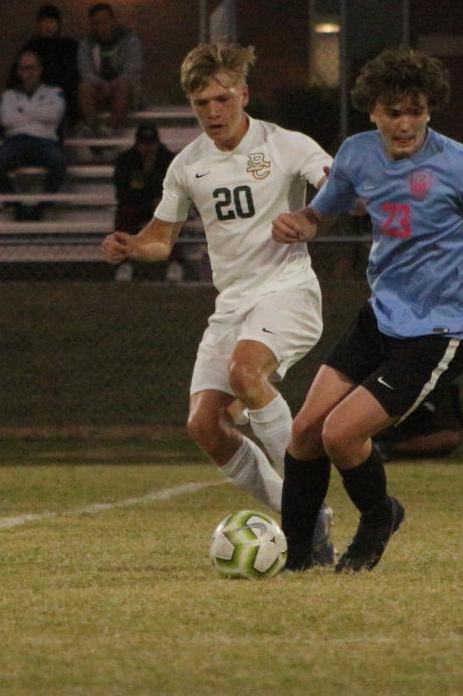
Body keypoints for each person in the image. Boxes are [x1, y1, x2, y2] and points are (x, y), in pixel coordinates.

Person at [272, 47, 463, 572]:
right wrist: (301, 223)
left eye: (416, 110)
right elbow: (323, 213)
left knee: (341, 434)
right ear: (373, 112)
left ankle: (378, 517)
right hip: (381, 317)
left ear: (430, 109)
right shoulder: (357, 154)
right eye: (394, 112)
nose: (405, 123)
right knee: (304, 432)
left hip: (440, 330)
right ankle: (296, 561)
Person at [100, 43, 337, 563]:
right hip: (232, 305)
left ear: (243, 95)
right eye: (201, 102)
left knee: (246, 374)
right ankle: (306, 515)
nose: (213, 112)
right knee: (205, 426)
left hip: (288, 291)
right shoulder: (188, 165)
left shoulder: (285, 145)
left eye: (222, 99)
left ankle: (306, 506)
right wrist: (132, 245)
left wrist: (311, 219)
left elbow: (340, 186)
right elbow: (162, 239)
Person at [0, 49, 66, 222]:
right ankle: (15, 206)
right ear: (18, 72)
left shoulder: (55, 92)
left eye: (32, 68)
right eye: (24, 68)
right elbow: (7, 120)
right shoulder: (8, 95)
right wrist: (38, 114)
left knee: (59, 164)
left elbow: (53, 116)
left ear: (40, 69)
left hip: (45, 141)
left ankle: (42, 207)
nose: (28, 72)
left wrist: (22, 110)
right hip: (16, 141)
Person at [111, 122, 183, 283]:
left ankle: (175, 262)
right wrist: (147, 202)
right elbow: (122, 192)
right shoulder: (125, 161)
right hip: (136, 205)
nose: (148, 148)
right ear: (137, 144)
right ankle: (124, 264)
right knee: (124, 213)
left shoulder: (168, 160)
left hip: (161, 206)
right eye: (144, 144)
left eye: (151, 144)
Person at [78, 2, 143, 134]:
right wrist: (102, 84)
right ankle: (92, 128)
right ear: (92, 25)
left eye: (106, 21)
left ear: (113, 20)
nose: (102, 26)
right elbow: (85, 70)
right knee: (84, 87)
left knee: (123, 86)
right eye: (97, 23)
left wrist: (114, 84)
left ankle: (112, 129)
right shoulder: (87, 44)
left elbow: (133, 68)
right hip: (100, 89)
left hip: (125, 90)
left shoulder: (129, 39)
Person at [18, 4, 80, 129]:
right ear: (38, 25)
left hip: (63, 93)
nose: (47, 26)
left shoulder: (69, 45)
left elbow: (75, 72)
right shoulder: (31, 47)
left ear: (58, 24)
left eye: (51, 22)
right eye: (44, 22)